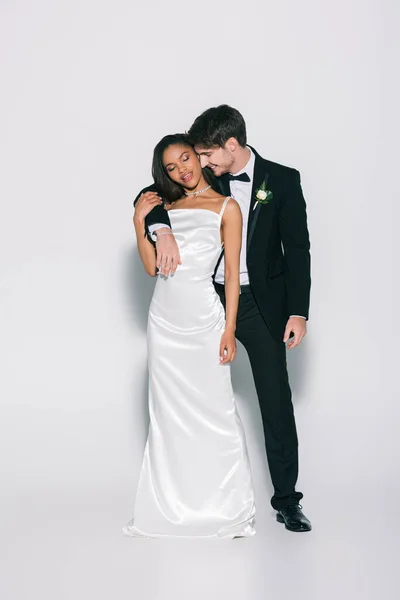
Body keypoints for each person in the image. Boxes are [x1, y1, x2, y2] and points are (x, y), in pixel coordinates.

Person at [142, 106, 312, 532]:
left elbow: (298, 249)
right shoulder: (202, 177)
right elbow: (149, 191)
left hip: (260, 306)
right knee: (201, 403)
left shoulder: (283, 180)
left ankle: (287, 500)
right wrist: (160, 230)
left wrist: (298, 311)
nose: (197, 164)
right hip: (204, 299)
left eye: (204, 154)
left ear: (230, 145)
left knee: (274, 400)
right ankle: (197, 497)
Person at [123, 133, 256, 539]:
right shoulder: (164, 208)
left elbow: (232, 275)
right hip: (163, 324)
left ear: (198, 158)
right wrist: (138, 223)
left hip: (205, 324)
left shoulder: (226, 208)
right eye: (171, 167)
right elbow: (151, 270)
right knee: (168, 420)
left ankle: (224, 505)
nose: (182, 169)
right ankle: (172, 506)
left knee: (216, 415)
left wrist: (229, 329)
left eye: (186, 158)